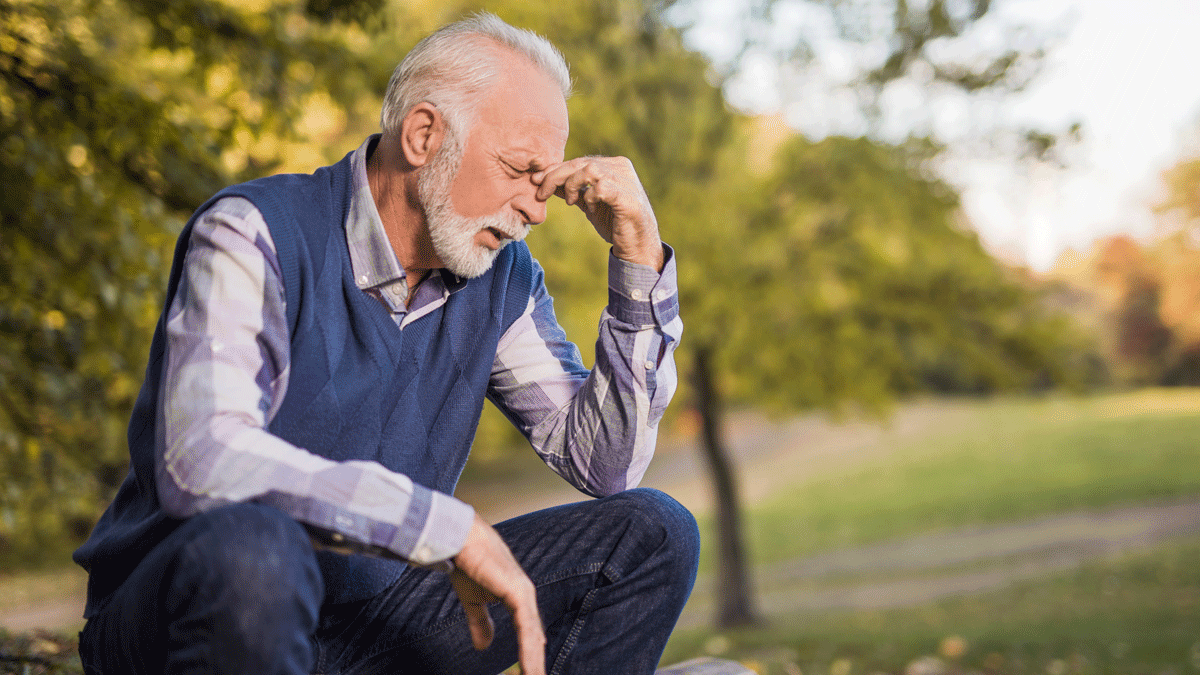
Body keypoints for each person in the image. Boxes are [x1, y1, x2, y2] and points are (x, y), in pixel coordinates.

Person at [72, 12, 699, 675]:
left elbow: (605, 464)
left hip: (365, 626)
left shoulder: (501, 277)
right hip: (190, 612)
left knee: (652, 532)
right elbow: (203, 458)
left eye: (544, 182)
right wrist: (432, 523)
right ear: (424, 135)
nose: (536, 210)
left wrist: (639, 256)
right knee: (256, 551)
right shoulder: (253, 233)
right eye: (520, 170)